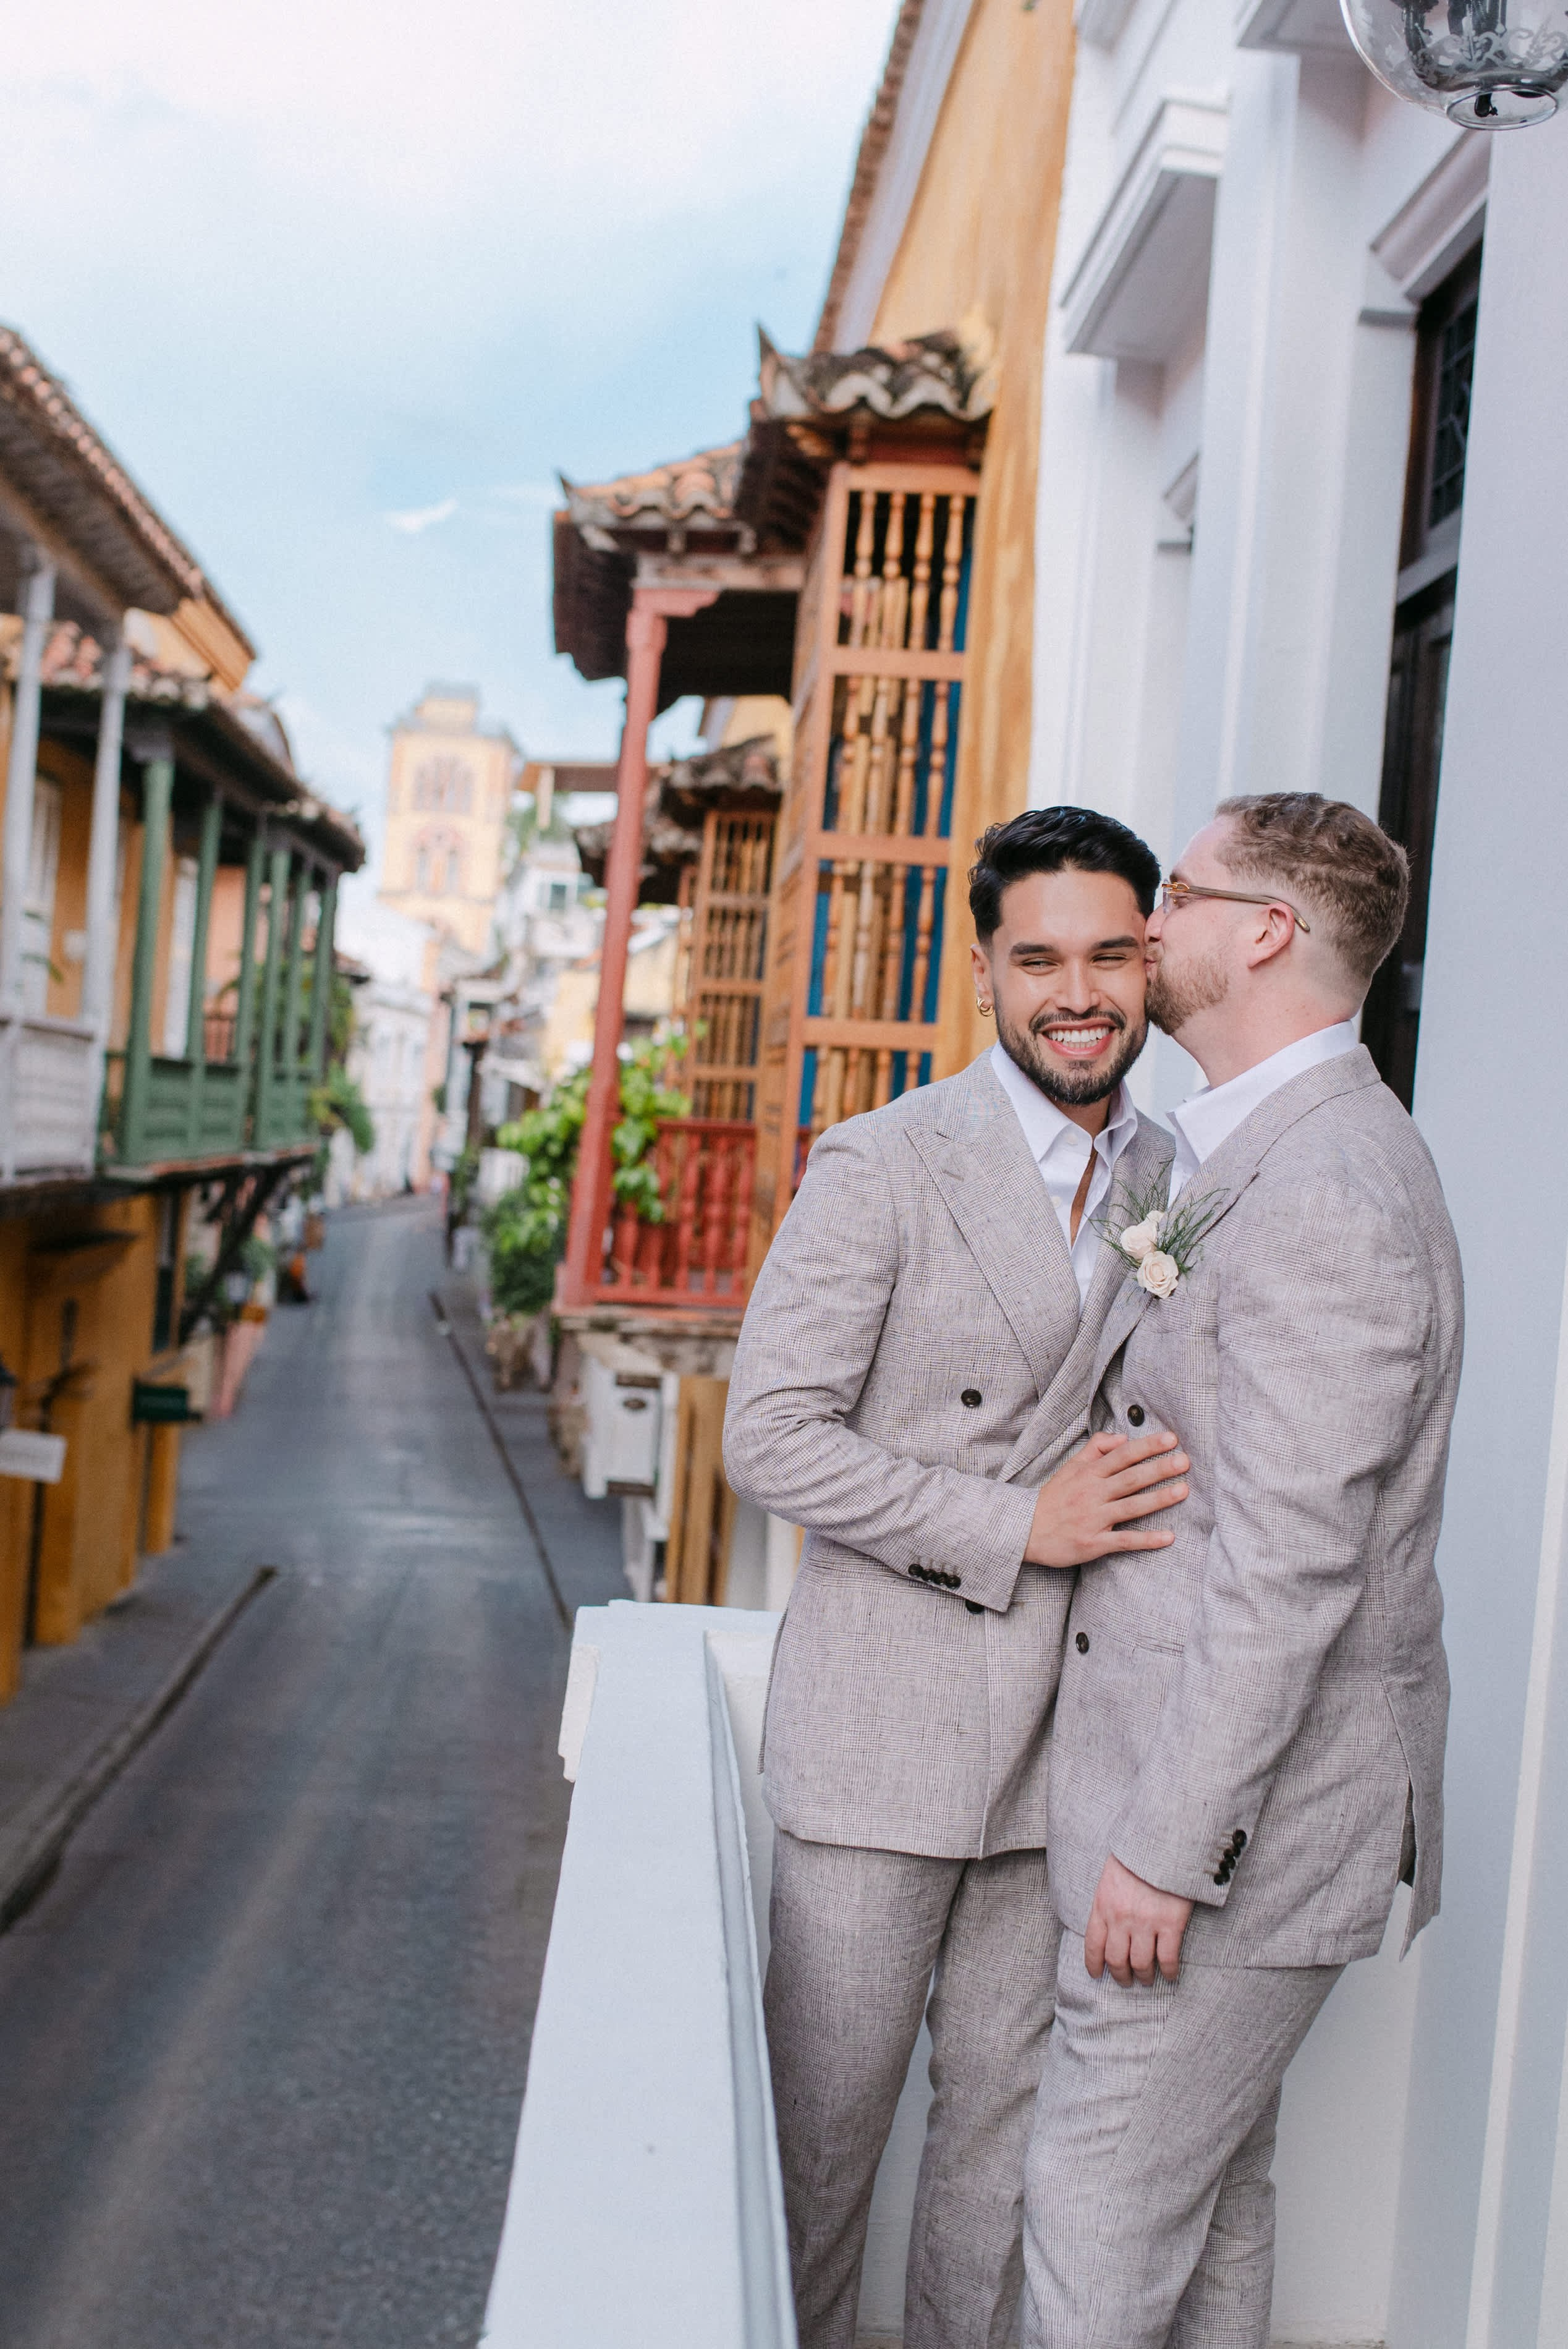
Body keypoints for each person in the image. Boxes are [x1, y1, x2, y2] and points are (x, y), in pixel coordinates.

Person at [724, 807, 1190, 2349]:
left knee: (1001, 2169)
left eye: (1112, 954)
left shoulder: (1169, 1176)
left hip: (1064, 1756)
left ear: (1153, 959)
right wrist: (1014, 1527)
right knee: (816, 2162)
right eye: (1041, 957)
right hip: (880, 1747)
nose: (1080, 991)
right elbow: (768, 1437)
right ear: (985, 967)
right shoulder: (884, 1163)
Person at [1020, 793, 1462, 2349]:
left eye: (1180, 895)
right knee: (1208, 2211)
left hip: (1230, 1834)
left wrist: (1171, 1846)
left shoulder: (1329, 1192)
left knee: (1090, 2206)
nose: (1150, 927)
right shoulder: (1245, 1152)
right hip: (1200, 1807)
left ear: (1265, 930)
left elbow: (1289, 1569)